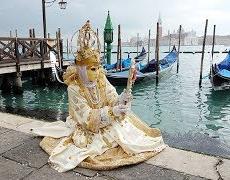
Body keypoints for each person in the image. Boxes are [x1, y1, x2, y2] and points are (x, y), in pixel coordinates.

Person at [31, 20, 166, 172]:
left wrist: (121, 100)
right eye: (92, 69)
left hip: (106, 118)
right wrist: (112, 112)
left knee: (128, 131)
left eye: (98, 68)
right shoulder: (75, 88)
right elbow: (85, 116)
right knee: (111, 135)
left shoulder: (101, 78)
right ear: (81, 69)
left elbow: (111, 96)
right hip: (87, 125)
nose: (97, 72)